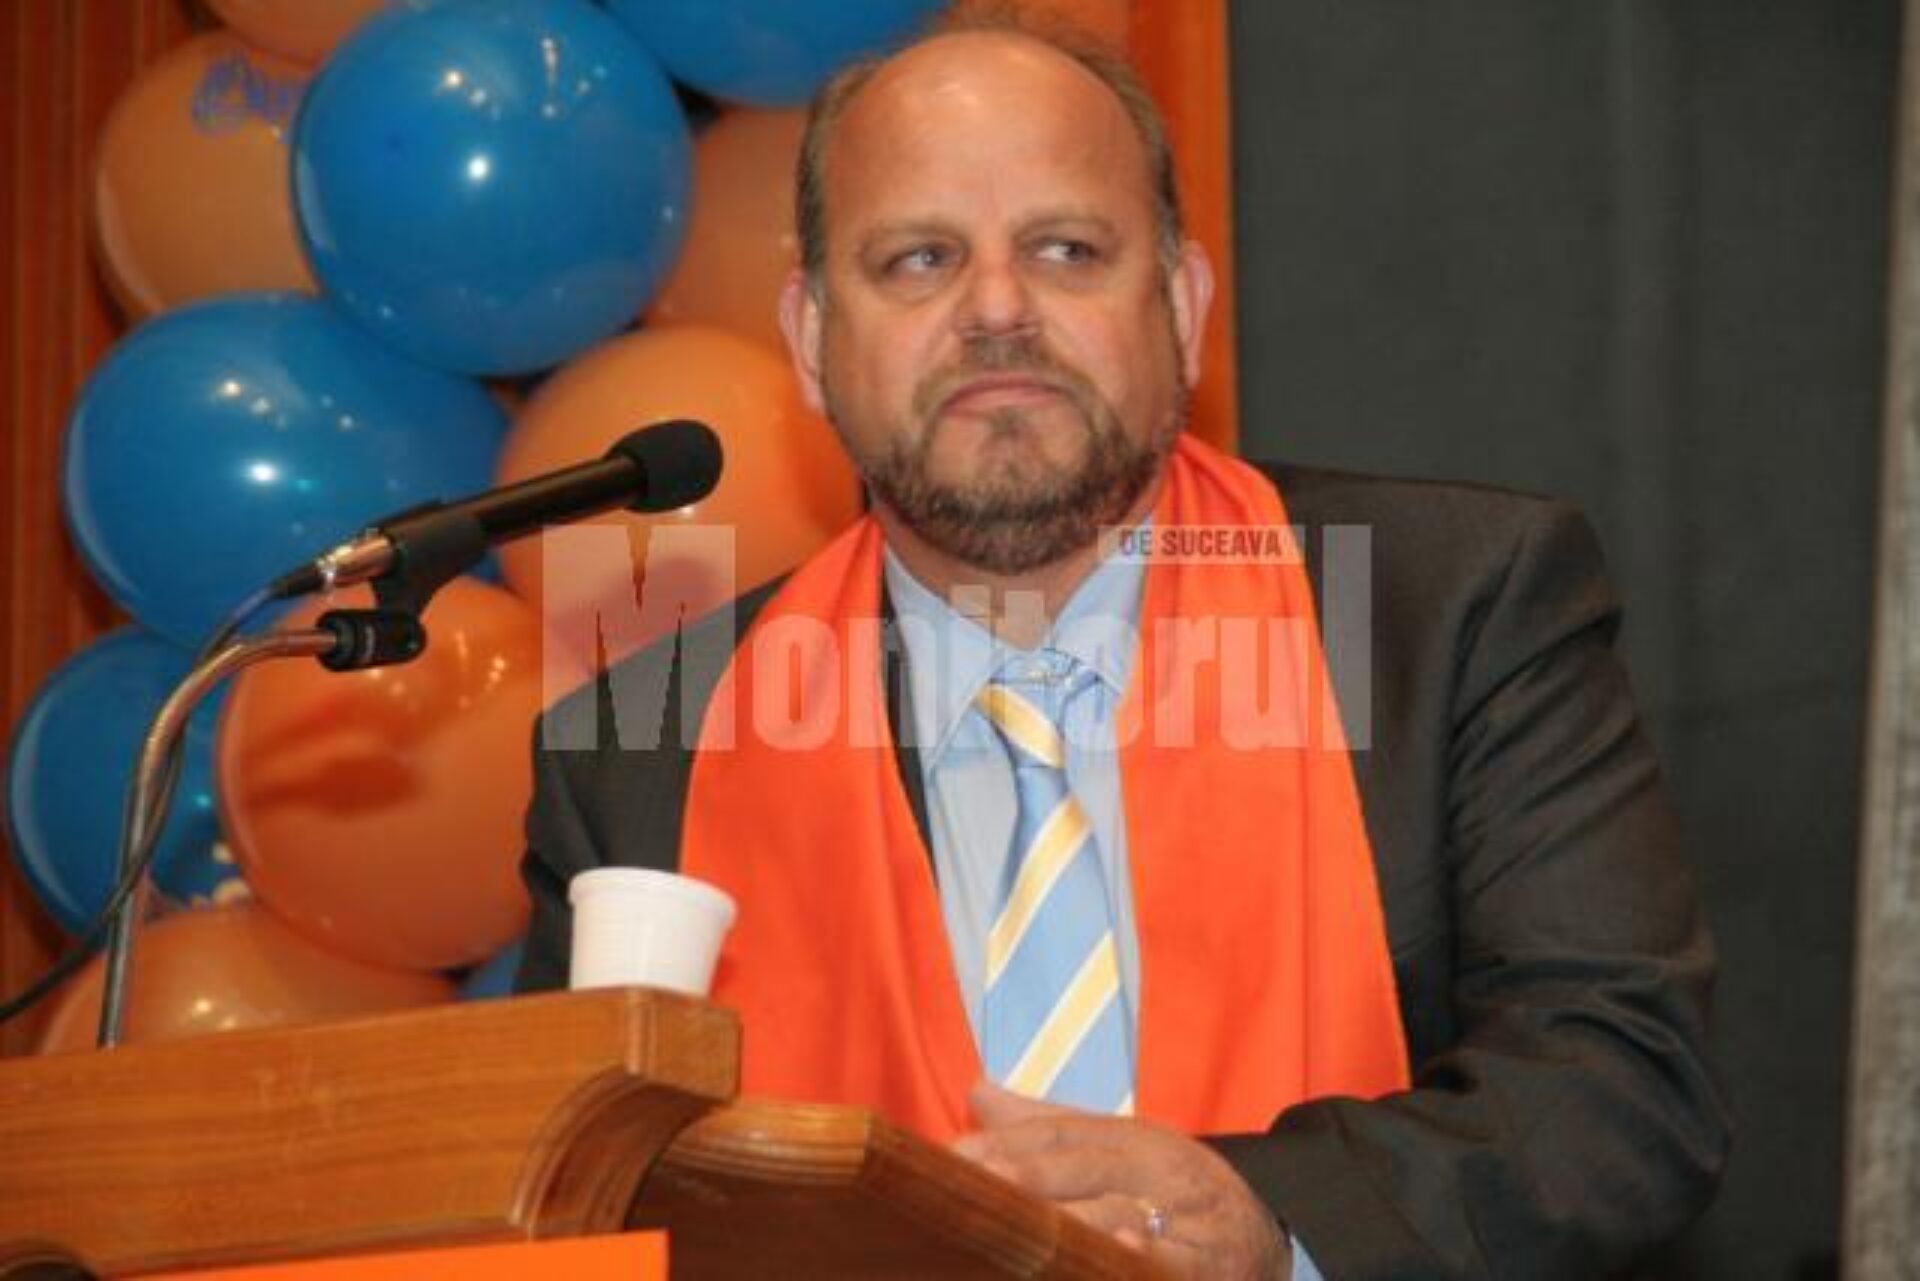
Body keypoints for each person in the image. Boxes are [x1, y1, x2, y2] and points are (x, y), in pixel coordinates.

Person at [515, 15, 1730, 1279]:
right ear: (815, 343)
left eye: (1067, 249)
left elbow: (1620, 1089)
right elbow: (564, 1208)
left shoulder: (1446, 611)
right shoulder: (640, 755)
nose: (997, 309)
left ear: (1183, 309)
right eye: (921, 259)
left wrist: (1268, 1220)